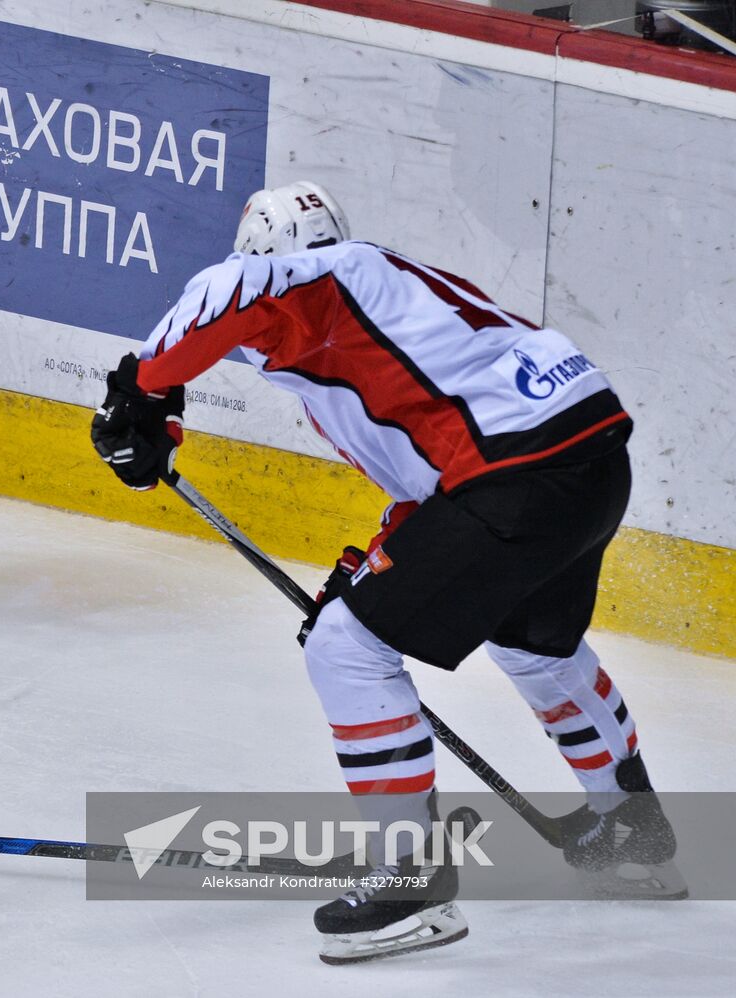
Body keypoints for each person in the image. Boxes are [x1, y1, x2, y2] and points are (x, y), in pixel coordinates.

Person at [89, 182, 679, 963]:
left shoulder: (316, 278)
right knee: (535, 647)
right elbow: (434, 490)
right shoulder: (391, 310)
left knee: (345, 650)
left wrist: (144, 391)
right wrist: (362, 573)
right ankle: (635, 833)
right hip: (586, 458)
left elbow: (228, 291)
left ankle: (411, 886)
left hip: (518, 476)